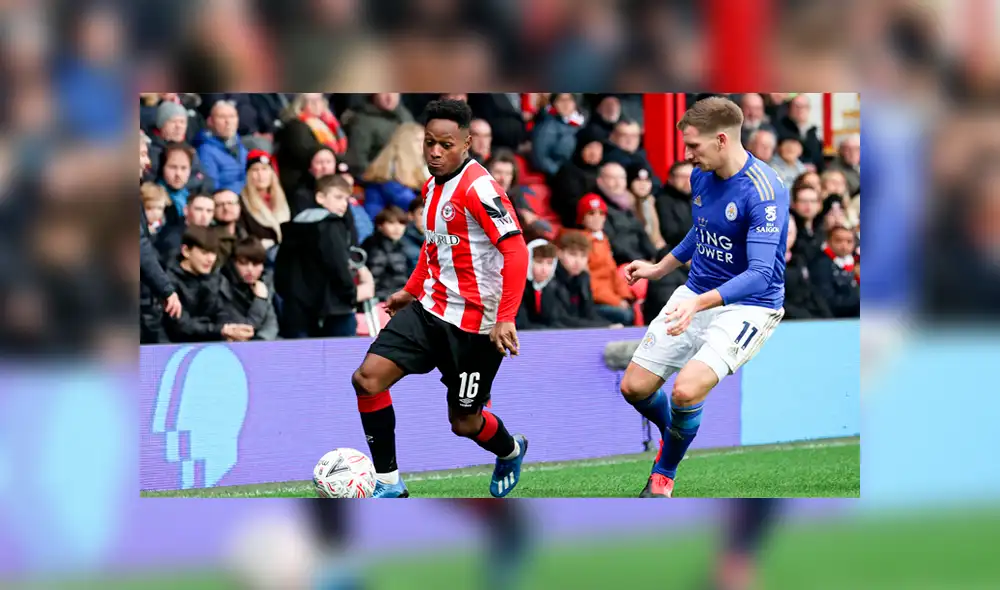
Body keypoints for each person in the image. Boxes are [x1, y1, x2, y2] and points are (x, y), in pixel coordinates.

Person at [350, 99, 530, 498]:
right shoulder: (431, 185)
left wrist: (505, 317)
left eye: (445, 145)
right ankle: (389, 483)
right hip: (430, 310)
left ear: (467, 143)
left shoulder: (480, 189)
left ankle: (511, 449)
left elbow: (517, 251)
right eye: (429, 142)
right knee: (367, 379)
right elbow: (433, 249)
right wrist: (409, 292)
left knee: (465, 423)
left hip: (476, 328)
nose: (434, 151)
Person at [621, 97, 788, 497]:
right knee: (634, 387)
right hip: (696, 291)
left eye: (693, 146)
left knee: (686, 389)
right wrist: (660, 267)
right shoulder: (700, 175)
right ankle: (676, 432)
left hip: (749, 306)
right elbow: (702, 230)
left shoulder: (764, 191)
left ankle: (663, 475)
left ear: (723, 139)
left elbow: (760, 274)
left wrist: (697, 303)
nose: (687, 155)